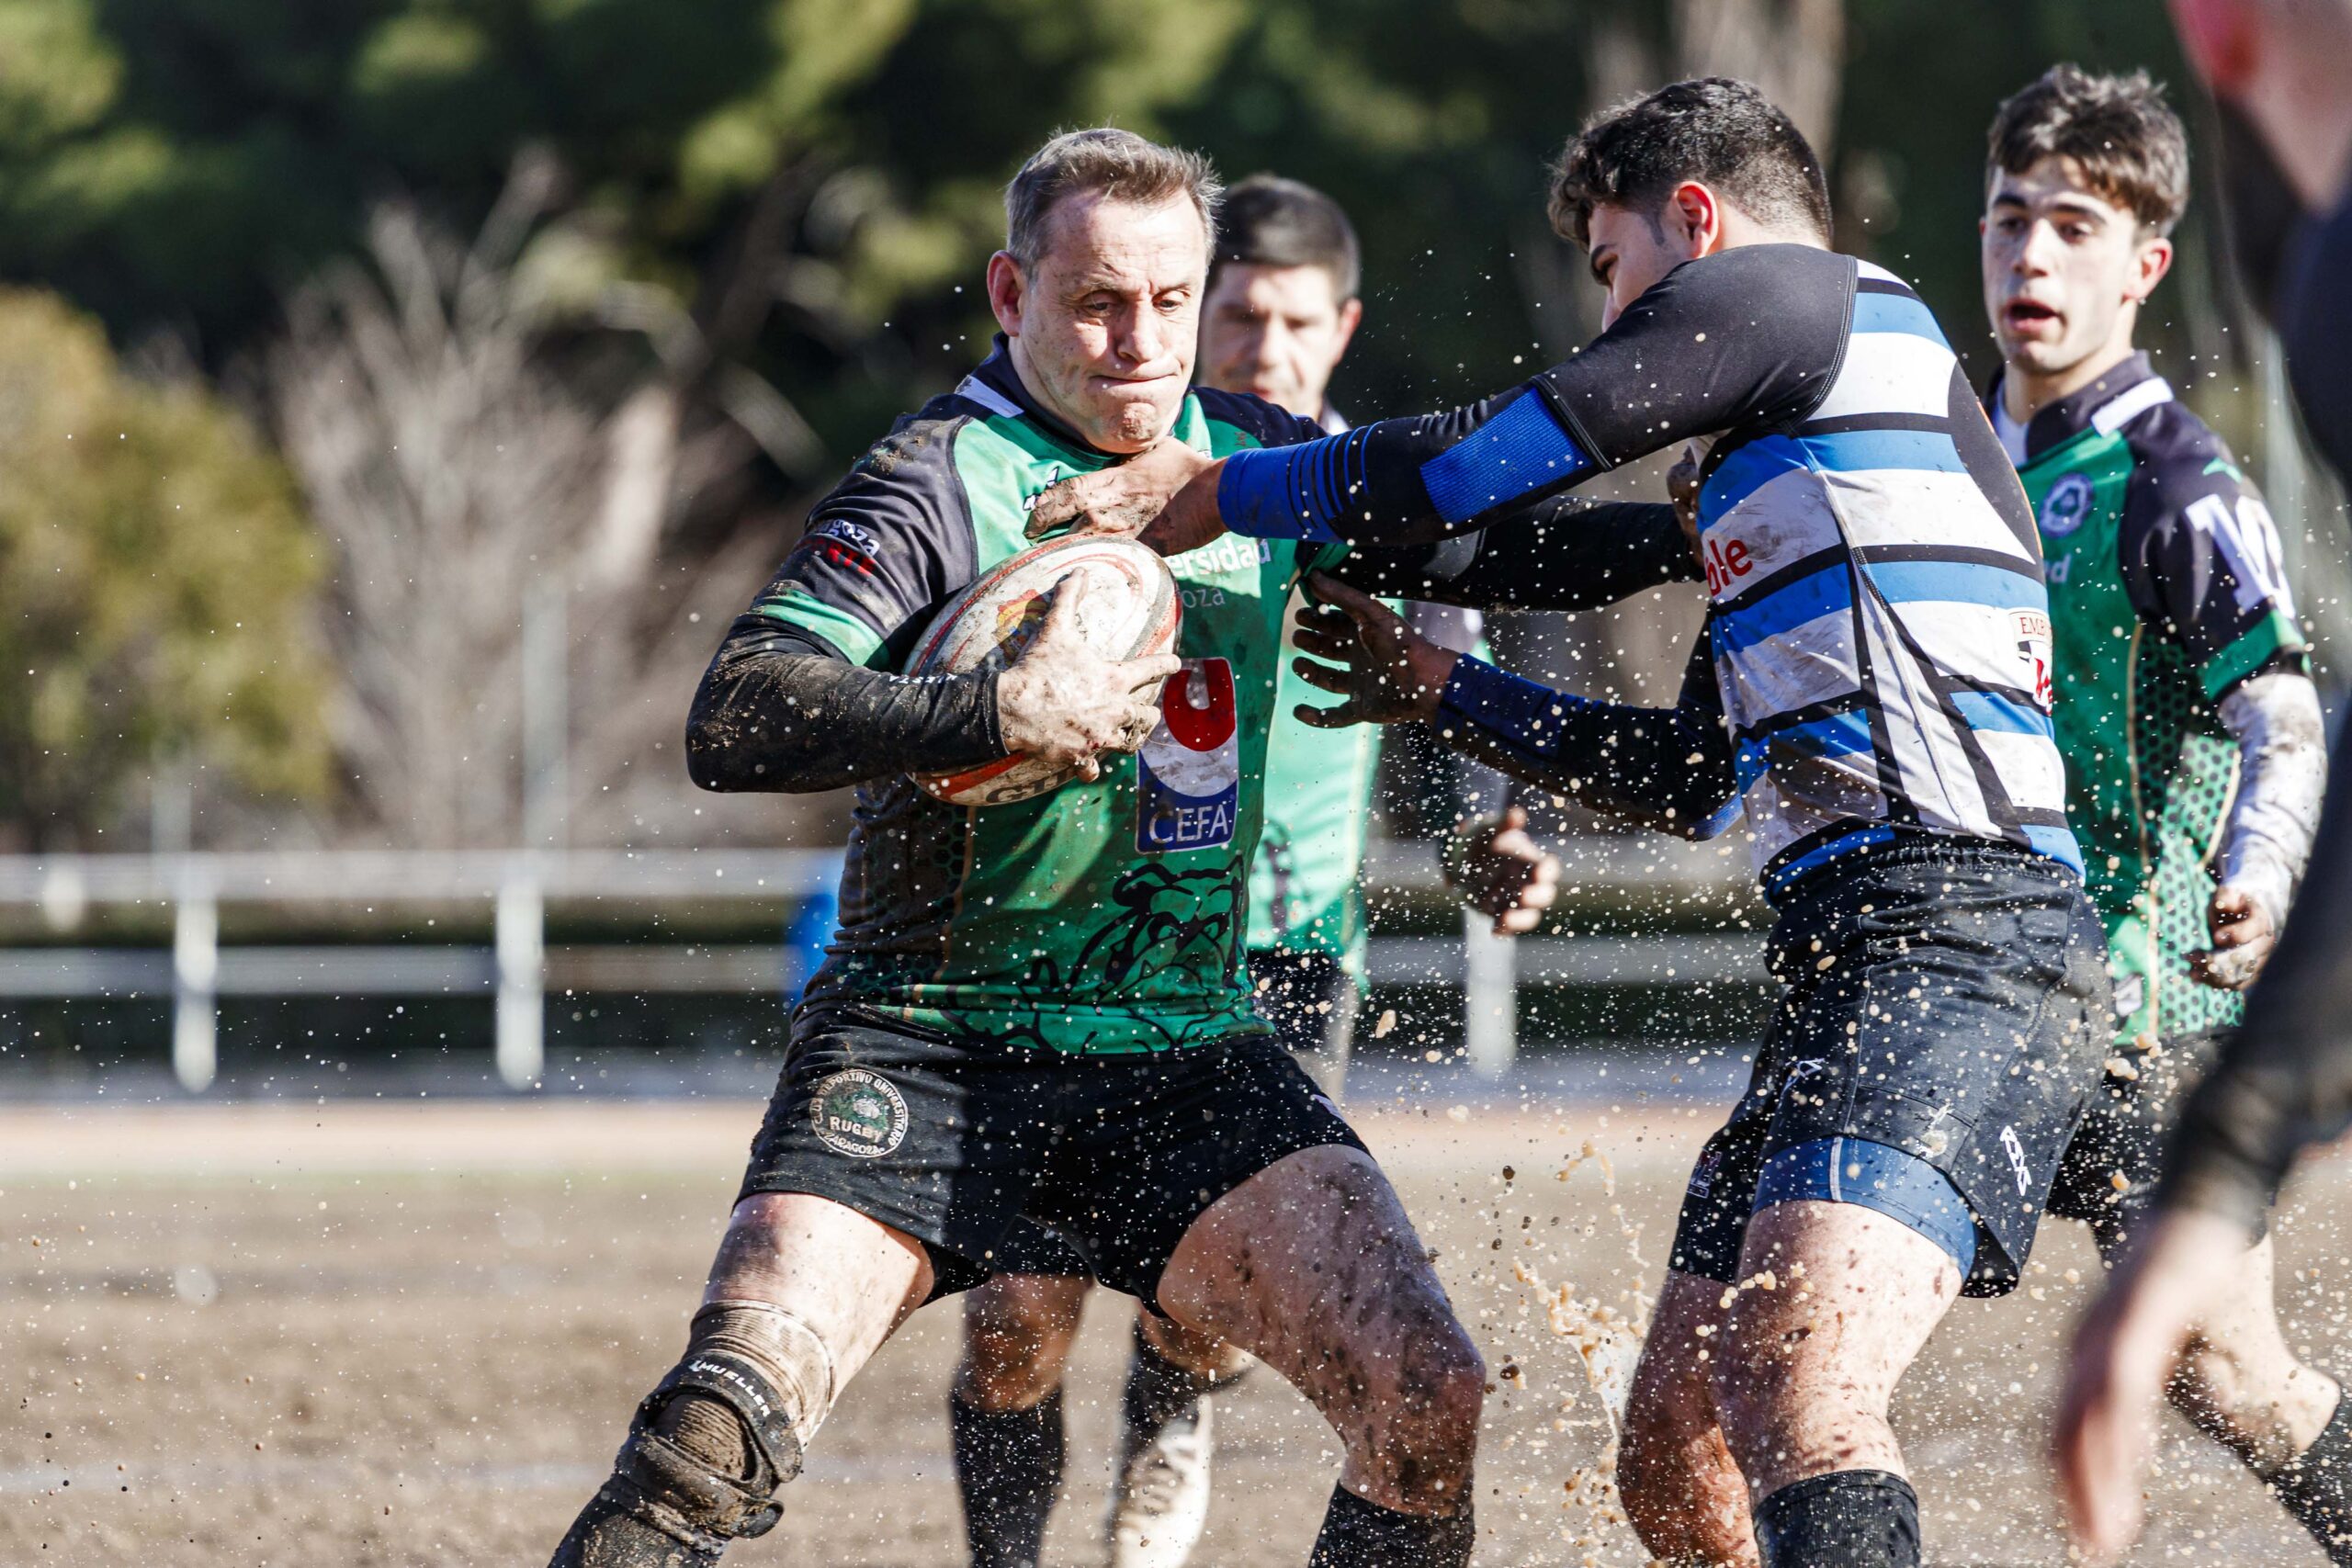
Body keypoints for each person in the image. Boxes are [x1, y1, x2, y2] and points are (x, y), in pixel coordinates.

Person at [543, 126, 1694, 1568]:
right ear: (1010, 290)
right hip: (927, 1046)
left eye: (1168, 301)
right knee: (715, 1432)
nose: (1140, 341)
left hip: (1179, 1050)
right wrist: (992, 705)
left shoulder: (1261, 464)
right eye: (1097, 302)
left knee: (1424, 1396)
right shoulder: (935, 481)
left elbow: (1484, 555)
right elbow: (741, 710)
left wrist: (1693, 536)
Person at [1041, 78, 2111, 1568]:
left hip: (1968, 937)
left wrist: (1220, 490)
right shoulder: (1787, 467)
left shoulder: (1800, 296)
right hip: (1858, 961)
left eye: (1614, 278)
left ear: (1695, 221)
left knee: (1800, 1394)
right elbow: (1680, 770)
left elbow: (1496, 459)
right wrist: (1437, 683)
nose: (1618, 324)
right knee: (1678, 1465)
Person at [943, 172, 1566, 1568]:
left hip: (1284, 944)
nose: (1261, 348)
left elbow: (1447, 667)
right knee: (1018, 1312)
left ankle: (1169, 1433)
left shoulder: (1365, 497)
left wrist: (1485, 829)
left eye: (1293, 322)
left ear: (1339, 328)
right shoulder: (1104, 475)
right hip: (1072, 941)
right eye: (1235, 314)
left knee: (1199, 1291)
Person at [1978, 62, 2346, 1557]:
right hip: (1979, 986)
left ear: (2145, 264)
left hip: (2144, 1006)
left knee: (2230, 1375)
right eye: (2009, 222)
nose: (2032, 260)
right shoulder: (1955, 448)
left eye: (2074, 227)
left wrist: (2253, 874)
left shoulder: (2174, 482)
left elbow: (2286, 708)